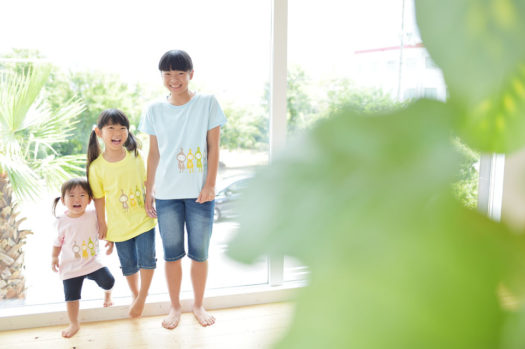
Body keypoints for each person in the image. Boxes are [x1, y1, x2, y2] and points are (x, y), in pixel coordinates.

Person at [139, 49, 226, 329]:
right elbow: (153, 154)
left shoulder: (207, 103)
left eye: (179, 73)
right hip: (166, 195)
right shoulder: (154, 109)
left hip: (201, 193)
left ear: (191, 74)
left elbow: (214, 147)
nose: (174, 79)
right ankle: (175, 307)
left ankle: (198, 305)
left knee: (199, 253)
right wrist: (148, 189)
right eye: (168, 74)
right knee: (172, 254)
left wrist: (210, 184)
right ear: (162, 76)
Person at [87, 109, 157, 318]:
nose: (117, 133)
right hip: (118, 226)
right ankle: (135, 294)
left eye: (122, 128)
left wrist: (150, 197)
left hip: (144, 219)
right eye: (111, 128)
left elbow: (148, 182)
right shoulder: (96, 167)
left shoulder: (136, 156)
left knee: (148, 259)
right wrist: (103, 225)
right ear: (100, 133)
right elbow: (99, 199)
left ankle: (141, 298)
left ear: (127, 131)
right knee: (128, 265)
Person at [51, 178, 115, 338]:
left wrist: (109, 240)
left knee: (109, 281)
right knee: (71, 297)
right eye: (71, 196)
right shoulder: (61, 222)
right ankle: (74, 323)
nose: (77, 199)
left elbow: (104, 229)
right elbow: (57, 242)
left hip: (92, 262)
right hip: (70, 266)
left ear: (89, 200)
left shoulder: (93, 215)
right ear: (63, 200)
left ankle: (108, 294)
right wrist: (54, 257)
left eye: (82, 195)